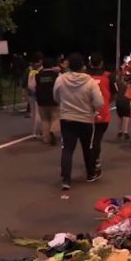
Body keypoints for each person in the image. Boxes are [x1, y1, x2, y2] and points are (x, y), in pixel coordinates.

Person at [53, 53, 103, 191]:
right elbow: (99, 102)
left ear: (68, 65)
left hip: (67, 118)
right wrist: (92, 107)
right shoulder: (90, 82)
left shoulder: (61, 80)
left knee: (67, 148)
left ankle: (66, 179)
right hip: (86, 119)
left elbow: (56, 97)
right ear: (83, 66)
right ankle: (90, 173)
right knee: (88, 148)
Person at [87, 52, 116, 182]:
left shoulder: (85, 76)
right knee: (97, 139)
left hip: (86, 110)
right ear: (101, 63)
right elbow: (115, 91)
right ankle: (95, 162)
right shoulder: (108, 76)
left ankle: (91, 162)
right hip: (103, 111)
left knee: (88, 139)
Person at [33, 57, 61, 145]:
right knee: (56, 118)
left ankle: (46, 138)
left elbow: (33, 87)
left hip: (41, 101)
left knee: (45, 120)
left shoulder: (38, 75)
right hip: (54, 100)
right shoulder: (56, 75)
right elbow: (60, 87)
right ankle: (53, 131)